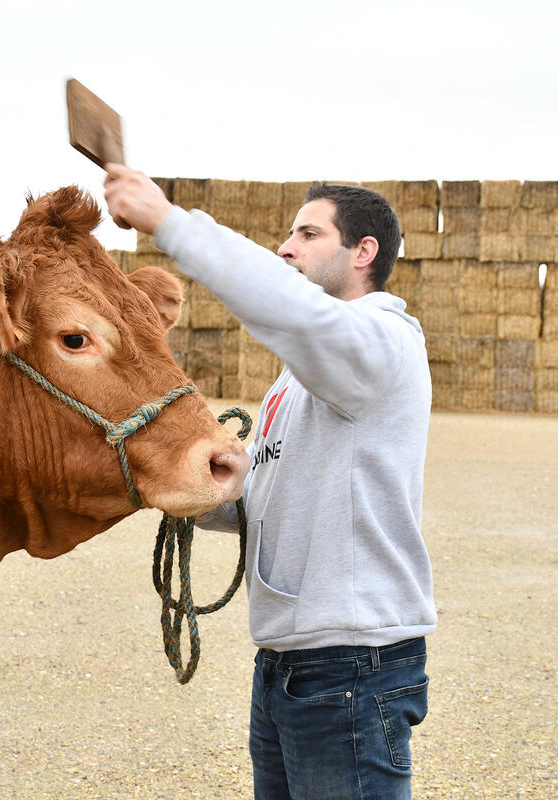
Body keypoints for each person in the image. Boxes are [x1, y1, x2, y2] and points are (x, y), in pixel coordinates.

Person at [104, 165, 435, 800]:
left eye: (308, 234)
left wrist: (168, 222)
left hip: (351, 665)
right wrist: (199, 489)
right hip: (290, 663)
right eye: (289, 234)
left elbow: (292, 311)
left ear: (363, 252)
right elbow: (265, 496)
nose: (286, 247)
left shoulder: (381, 343)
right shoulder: (300, 376)